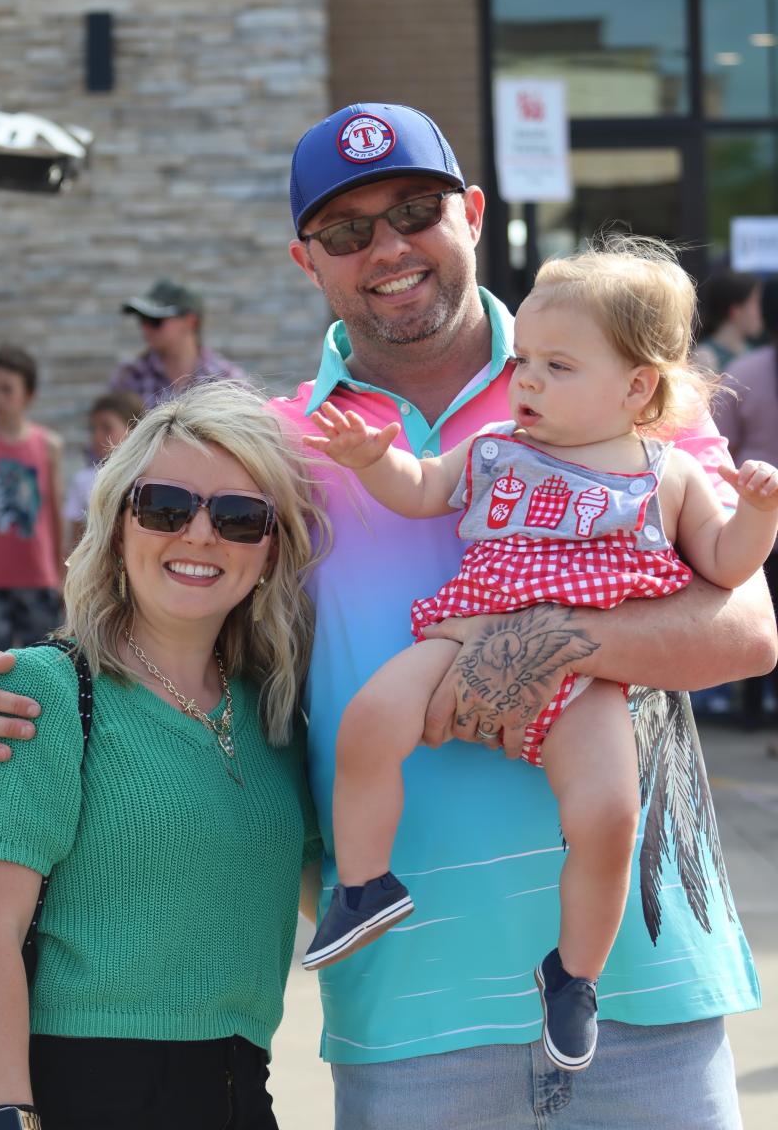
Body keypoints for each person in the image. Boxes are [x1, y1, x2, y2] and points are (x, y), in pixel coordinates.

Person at [0, 103, 775, 1129]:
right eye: (348, 230)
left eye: (414, 212)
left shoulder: (619, 391)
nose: (388, 247)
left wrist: (523, 652)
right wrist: (25, 692)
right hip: (407, 1016)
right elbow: (168, 621)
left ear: (472, 213)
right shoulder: (279, 448)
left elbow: (745, 632)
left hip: (642, 988)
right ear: (306, 260)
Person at [299, 236, 778, 1075]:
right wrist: (377, 461)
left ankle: (575, 975)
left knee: (608, 815)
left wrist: (759, 516)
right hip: (466, 626)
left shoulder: (666, 475)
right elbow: (422, 488)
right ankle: (366, 886)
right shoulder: (496, 449)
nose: (526, 382)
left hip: (590, 680)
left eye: (558, 367)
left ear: (637, 386)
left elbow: (726, 565)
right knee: (369, 720)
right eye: (523, 361)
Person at [0, 380, 327, 1130]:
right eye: (166, 507)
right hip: (86, 1094)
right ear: (117, 527)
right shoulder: (45, 690)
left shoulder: (275, 717)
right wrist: (3, 1114)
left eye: (239, 517)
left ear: (271, 549)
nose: (199, 535)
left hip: (243, 1091)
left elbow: (331, 897)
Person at [714, 277, 778, 728]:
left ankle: (752, 709)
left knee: (759, 608)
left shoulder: (744, 371)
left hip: (756, 513)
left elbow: (720, 447)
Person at [0, 345, 64, 649]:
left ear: (28, 394)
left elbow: (54, 512)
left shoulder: (48, 445)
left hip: (37, 576)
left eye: (6, 389)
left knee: (44, 657)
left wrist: (61, 571)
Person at [112, 278, 243, 409]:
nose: (145, 329)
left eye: (155, 320)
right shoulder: (130, 376)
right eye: (142, 320)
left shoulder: (226, 380)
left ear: (190, 322)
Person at [63, 390, 144, 549]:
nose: (97, 436)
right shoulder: (83, 481)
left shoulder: (149, 479)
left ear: (134, 429)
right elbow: (75, 542)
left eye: (107, 428)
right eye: (93, 429)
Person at [693, 269, 762, 375]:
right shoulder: (705, 357)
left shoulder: (753, 353)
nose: (761, 310)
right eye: (755, 302)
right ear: (735, 310)